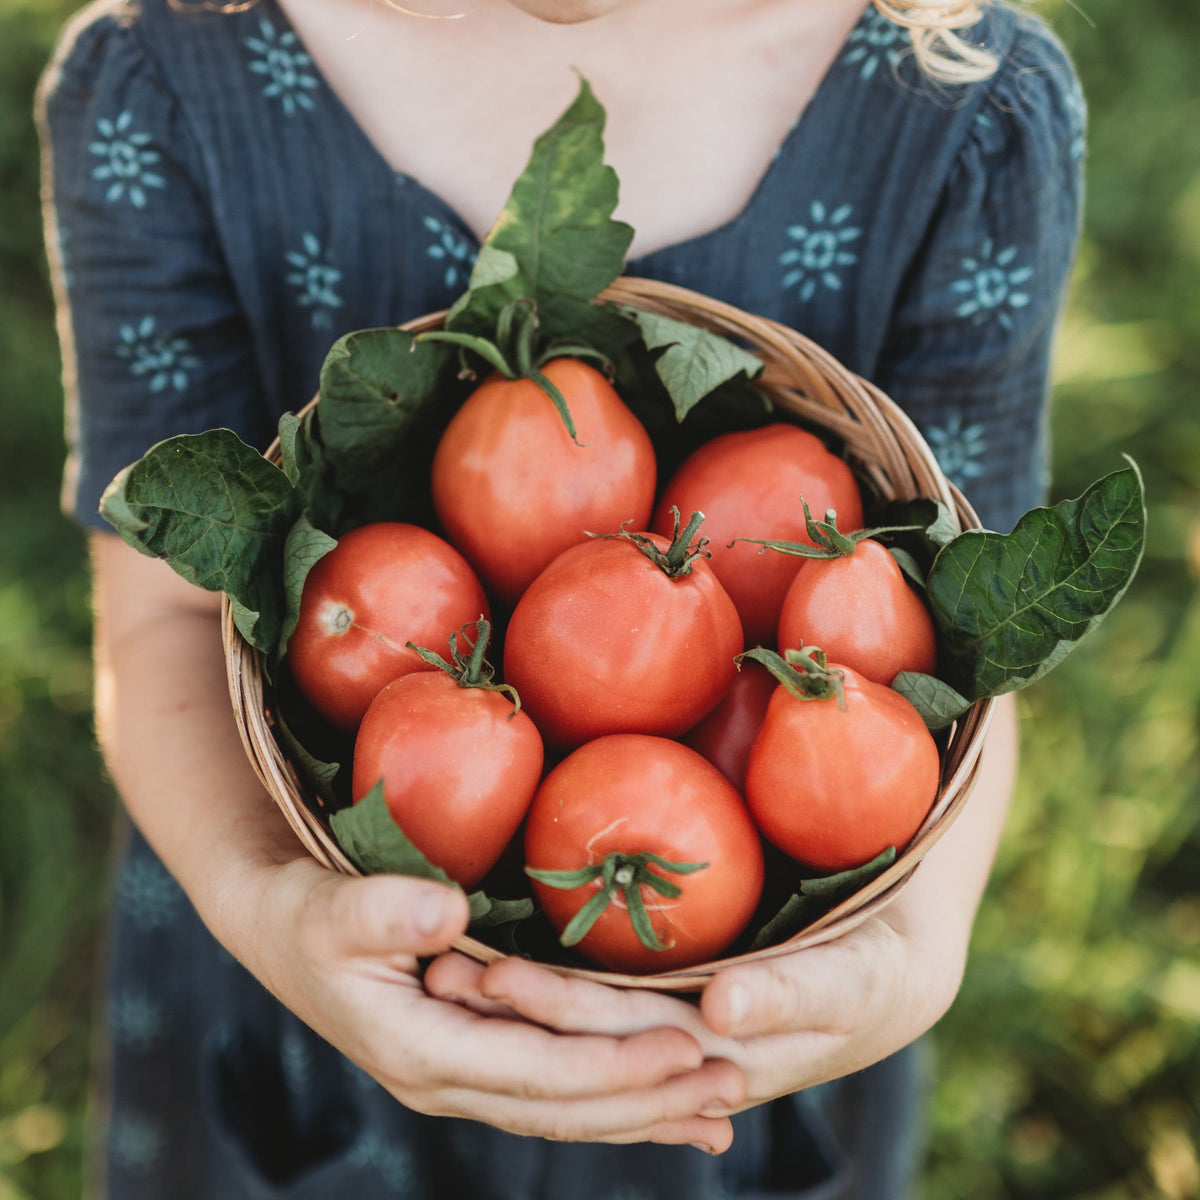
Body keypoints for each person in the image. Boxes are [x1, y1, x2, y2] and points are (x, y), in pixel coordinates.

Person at [36, 0, 1084, 1195]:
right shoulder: (167, 80)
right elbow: (166, 612)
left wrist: (917, 950)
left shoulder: (961, 107)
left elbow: (955, 661)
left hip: (728, 1052)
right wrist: (266, 905)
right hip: (303, 963)